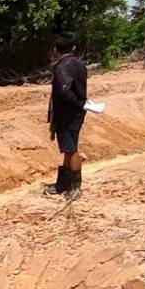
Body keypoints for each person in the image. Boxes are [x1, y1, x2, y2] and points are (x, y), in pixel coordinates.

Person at [44, 35, 87, 201]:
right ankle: (63, 184)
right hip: (76, 112)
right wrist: (81, 104)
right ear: (74, 47)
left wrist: (77, 103)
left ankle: (74, 187)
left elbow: (64, 90)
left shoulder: (61, 66)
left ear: (56, 50)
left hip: (66, 114)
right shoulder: (80, 65)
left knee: (70, 149)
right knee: (68, 148)